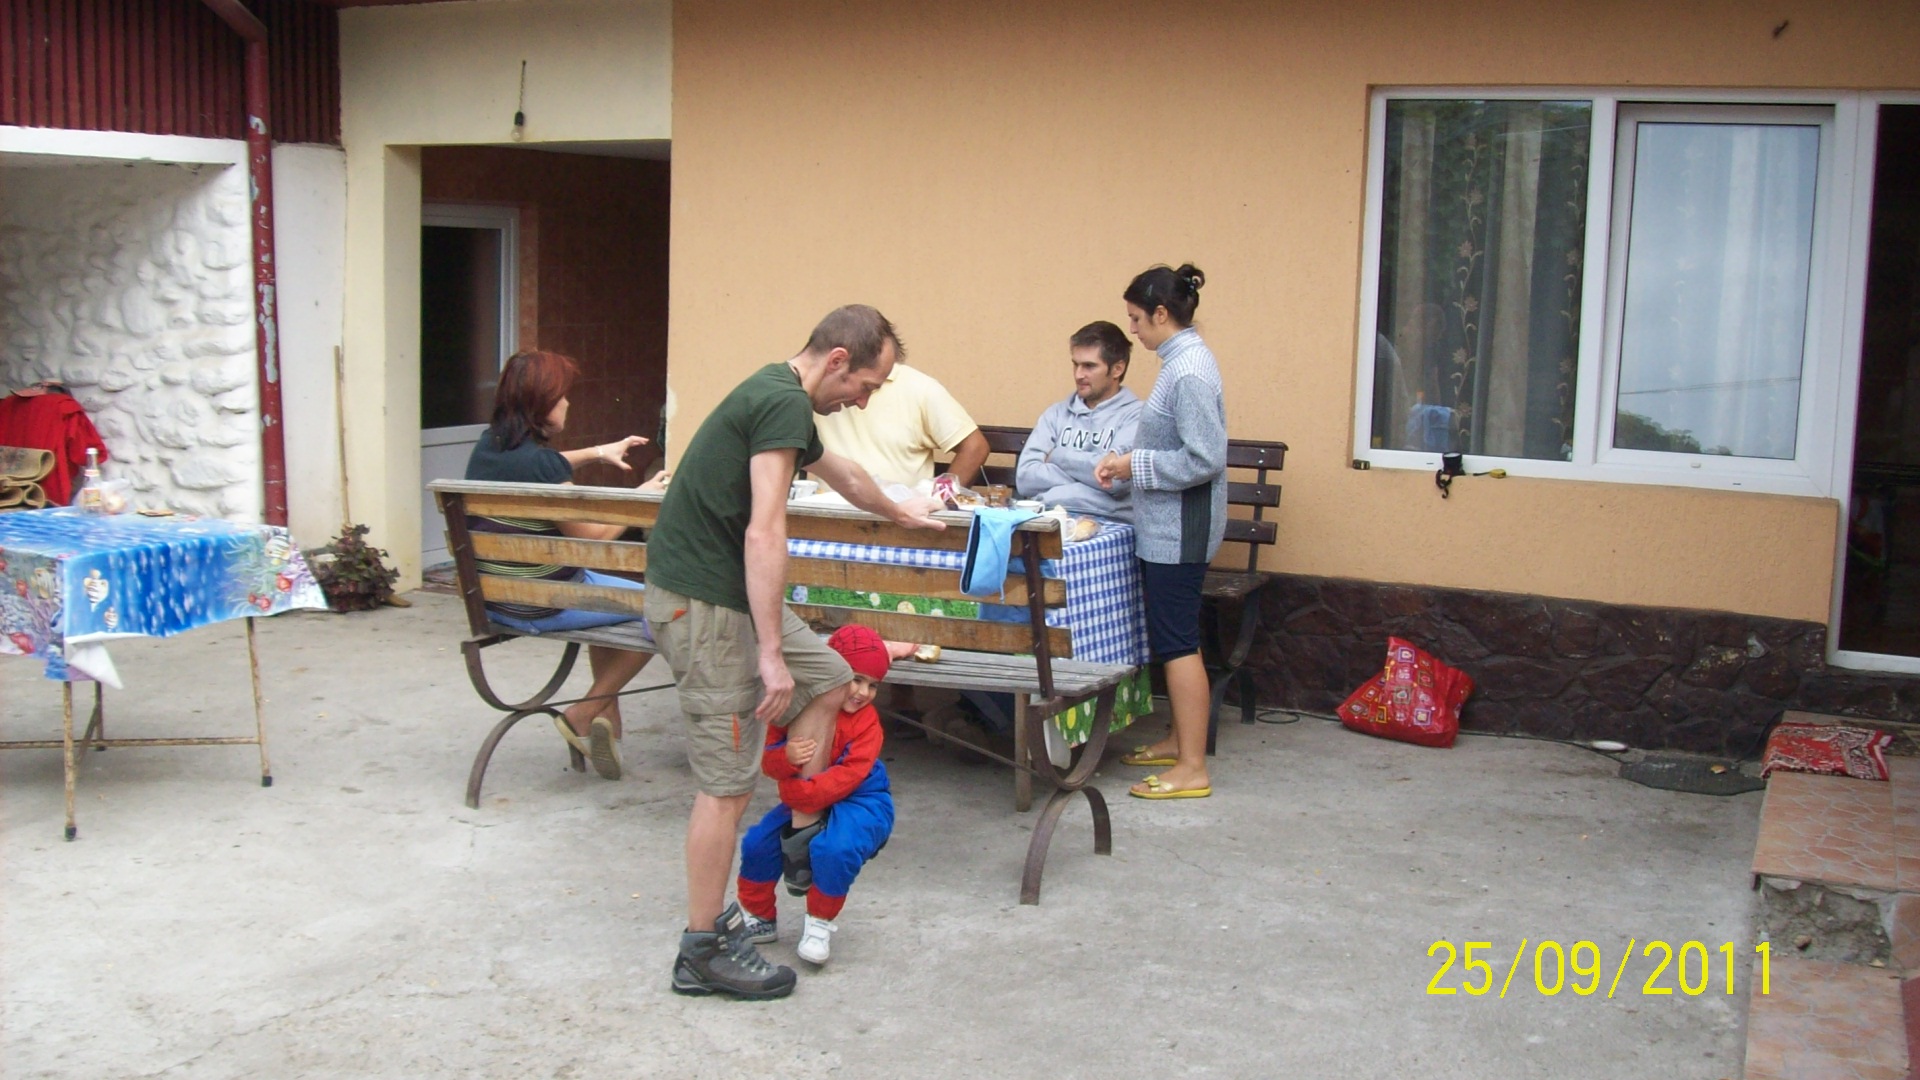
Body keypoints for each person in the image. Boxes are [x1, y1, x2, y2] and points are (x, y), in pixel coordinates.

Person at [642, 304, 944, 999]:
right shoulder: (780, 402)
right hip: (706, 607)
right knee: (726, 786)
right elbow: (765, 530)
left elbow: (845, 475)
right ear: (837, 360)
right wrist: (771, 655)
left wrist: (901, 512)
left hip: (726, 596)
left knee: (834, 676)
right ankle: (700, 950)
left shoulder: (782, 395)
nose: (863, 400)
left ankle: (801, 831)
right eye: (865, 385)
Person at [464, 348, 663, 782]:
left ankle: (606, 720)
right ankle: (586, 712)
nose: (568, 403)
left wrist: (598, 452)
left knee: (609, 602)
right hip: (545, 603)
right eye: (562, 396)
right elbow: (591, 538)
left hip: (497, 599)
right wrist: (640, 498)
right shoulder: (541, 465)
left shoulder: (489, 446)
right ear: (541, 404)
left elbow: (545, 465)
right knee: (666, 612)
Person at [1094, 265, 1227, 801]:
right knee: (1172, 637)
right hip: (1167, 527)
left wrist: (1134, 465)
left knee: (1177, 643)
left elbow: (1205, 457)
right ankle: (1179, 740)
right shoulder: (1180, 362)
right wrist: (1130, 461)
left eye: (1136, 319)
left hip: (1182, 531)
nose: (1132, 330)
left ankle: (1193, 767)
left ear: (1162, 314)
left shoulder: (1189, 370)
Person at [736, 624, 895, 967]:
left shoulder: (868, 723)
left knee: (835, 849)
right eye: (856, 679)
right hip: (807, 794)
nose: (863, 692)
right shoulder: (796, 705)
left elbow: (849, 775)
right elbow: (768, 760)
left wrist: (798, 793)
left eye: (873, 685)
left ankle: (819, 923)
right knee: (757, 843)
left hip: (862, 800)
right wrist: (786, 757)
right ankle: (759, 915)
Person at [1016, 320, 1143, 521]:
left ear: (1117, 369)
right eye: (1075, 364)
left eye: (1089, 366)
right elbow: (1025, 478)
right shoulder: (1055, 414)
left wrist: (1058, 456)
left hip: (1111, 526)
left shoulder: (1137, 416)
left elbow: (1116, 481)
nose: (1078, 375)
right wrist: (1090, 476)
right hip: (1050, 520)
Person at [814, 358, 990, 492]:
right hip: (827, 515)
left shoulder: (920, 388)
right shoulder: (818, 386)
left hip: (903, 517)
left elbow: (975, 448)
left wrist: (939, 500)